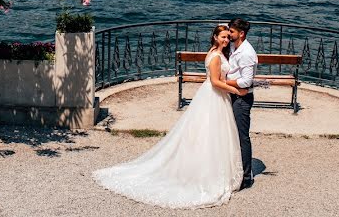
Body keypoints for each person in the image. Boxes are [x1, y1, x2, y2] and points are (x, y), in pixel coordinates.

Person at [93, 25, 246, 209]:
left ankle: (210, 170)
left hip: (216, 97)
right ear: (214, 37)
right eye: (222, 37)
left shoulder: (216, 53)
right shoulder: (215, 56)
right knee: (209, 134)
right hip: (214, 95)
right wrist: (236, 90)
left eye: (227, 38)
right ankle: (204, 173)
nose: (226, 40)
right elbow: (215, 82)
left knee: (210, 135)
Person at [226, 17, 259, 189]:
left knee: (242, 136)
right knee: (231, 134)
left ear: (241, 33)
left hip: (242, 99)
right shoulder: (234, 46)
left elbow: (246, 81)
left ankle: (246, 178)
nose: (229, 34)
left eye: (231, 31)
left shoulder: (246, 53)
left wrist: (222, 81)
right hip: (233, 95)